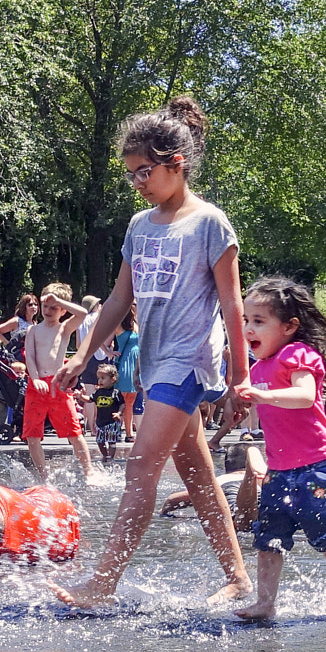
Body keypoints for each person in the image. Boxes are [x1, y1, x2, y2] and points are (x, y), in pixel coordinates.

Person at [49, 97, 256, 608]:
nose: (138, 182)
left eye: (145, 171)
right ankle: (239, 577)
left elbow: (233, 306)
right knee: (199, 475)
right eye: (131, 174)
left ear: (175, 163)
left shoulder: (210, 223)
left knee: (141, 467)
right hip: (153, 361)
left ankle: (102, 583)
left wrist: (239, 377)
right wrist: (82, 355)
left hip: (188, 361)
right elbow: (122, 299)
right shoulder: (139, 227)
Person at [235, 277, 326, 619]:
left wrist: (263, 395)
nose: (249, 329)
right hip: (279, 468)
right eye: (247, 320)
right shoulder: (259, 367)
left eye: (259, 321)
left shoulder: (297, 354)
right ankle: (265, 603)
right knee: (268, 536)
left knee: (325, 532)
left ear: (290, 326)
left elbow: (305, 396)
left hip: (318, 465)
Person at [20, 283, 94, 482]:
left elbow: (83, 313)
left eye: (54, 307)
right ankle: (43, 476)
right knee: (32, 434)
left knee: (73, 430)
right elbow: (30, 357)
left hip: (57, 385)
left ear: (63, 310)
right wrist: (34, 378)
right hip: (36, 386)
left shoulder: (64, 328)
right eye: (46, 306)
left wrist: (58, 300)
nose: (48, 310)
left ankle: (89, 472)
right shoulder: (33, 330)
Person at [111, 306, 141, 442]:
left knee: (130, 400)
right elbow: (100, 339)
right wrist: (109, 352)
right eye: (133, 304)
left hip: (136, 363)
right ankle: (117, 431)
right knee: (122, 399)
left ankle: (129, 434)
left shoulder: (136, 323)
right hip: (125, 362)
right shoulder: (118, 324)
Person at [92, 363, 124, 461]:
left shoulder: (116, 392)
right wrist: (81, 397)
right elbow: (90, 399)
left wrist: (119, 413)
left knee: (111, 441)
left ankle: (110, 456)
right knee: (100, 441)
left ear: (112, 379)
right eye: (99, 378)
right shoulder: (98, 392)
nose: (100, 380)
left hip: (112, 421)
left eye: (103, 378)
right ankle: (105, 455)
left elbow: (123, 404)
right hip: (100, 421)